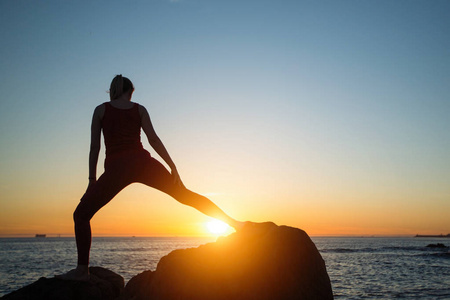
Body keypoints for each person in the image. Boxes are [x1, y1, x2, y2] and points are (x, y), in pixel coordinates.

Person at [58, 75, 243, 281]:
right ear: (130, 92)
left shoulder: (100, 110)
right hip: (142, 163)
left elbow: (95, 147)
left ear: (112, 91)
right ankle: (236, 223)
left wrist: (92, 180)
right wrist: (172, 165)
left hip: (116, 168)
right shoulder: (139, 109)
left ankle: (83, 270)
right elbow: (153, 139)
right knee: (184, 195)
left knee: (81, 215)